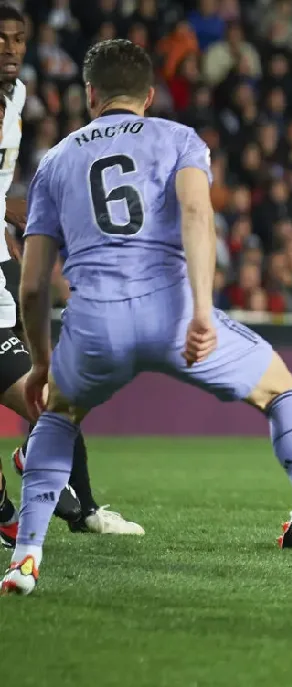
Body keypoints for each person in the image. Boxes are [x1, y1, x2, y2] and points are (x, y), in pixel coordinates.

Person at [0, 39, 292, 595]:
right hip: (173, 313)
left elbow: (34, 285)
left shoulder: (56, 161)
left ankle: (26, 558)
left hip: (93, 324)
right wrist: (202, 309)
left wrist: (41, 362)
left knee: (58, 417)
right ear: (150, 95)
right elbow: (197, 213)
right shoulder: (179, 139)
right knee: (281, 393)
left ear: (90, 96)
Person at [0, 4, 142, 547]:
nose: (12, 48)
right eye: (2, 39)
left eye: (19, 39)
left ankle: (68, 498)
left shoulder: (16, 97)